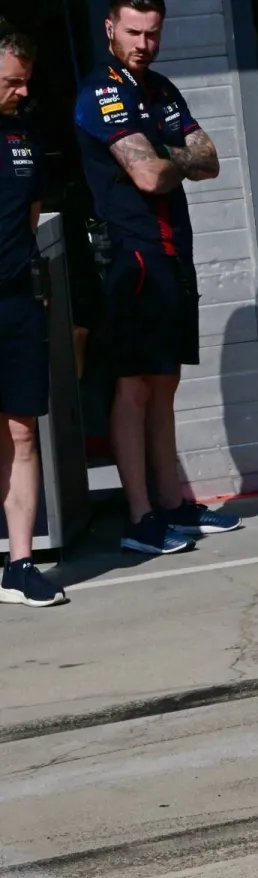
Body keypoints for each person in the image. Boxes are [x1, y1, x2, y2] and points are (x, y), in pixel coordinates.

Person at [74, 0, 241, 554]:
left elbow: (210, 158)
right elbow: (147, 175)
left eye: (152, 33)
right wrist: (175, 157)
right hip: (129, 253)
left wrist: (169, 156)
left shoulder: (163, 89)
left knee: (165, 380)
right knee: (134, 385)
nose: (143, 43)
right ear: (109, 29)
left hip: (173, 248)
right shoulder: (104, 90)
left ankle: (172, 503)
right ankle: (140, 515)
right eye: (132, 32)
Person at [0, 23, 66, 607]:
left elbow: (31, 213)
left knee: (22, 432)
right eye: (10, 82)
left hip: (15, 302)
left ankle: (20, 564)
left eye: (24, 82)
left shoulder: (23, 135)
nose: (21, 92)